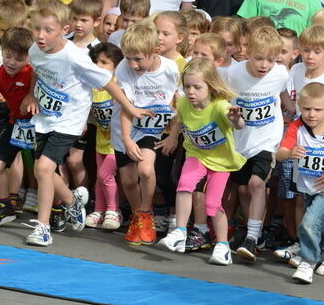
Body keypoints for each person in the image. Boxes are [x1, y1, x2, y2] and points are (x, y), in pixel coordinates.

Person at [19, 0, 146, 246]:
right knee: (41, 169)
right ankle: (71, 201)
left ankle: (43, 228)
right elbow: (37, 68)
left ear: (64, 29)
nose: (41, 36)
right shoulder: (35, 49)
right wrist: (31, 93)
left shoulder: (75, 57)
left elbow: (107, 82)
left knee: (44, 168)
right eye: (37, 29)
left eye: (48, 30)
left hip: (70, 121)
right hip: (45, 117)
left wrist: (130, 107)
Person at [157, 58, 246, 265]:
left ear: (211, 87)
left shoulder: (219, 107)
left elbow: (239, 124)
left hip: (221, 161)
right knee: (184, 185)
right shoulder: (183, 103)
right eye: (187, 86)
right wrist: (172, 136)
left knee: (212, 204)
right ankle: (179, 232)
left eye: (197, 87)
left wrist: (235, 119)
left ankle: (223, 246)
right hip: (196, 153)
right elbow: (181, 117)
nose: (191, 91)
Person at [220, 26, 289, 260]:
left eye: (271, 59)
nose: (264, 65)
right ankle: (239, 230)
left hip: (267, 140)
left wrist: (290, 108)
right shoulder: (233, 73)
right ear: (247, 50)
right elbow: (220, 96)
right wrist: (231, 116)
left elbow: (283, 96)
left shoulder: (281, 73)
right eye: (259, 58)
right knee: (241, 188)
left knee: (257, 184)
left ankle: (252, 238)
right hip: (240, 140)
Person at [112, 21, 181, 246]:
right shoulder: (124, 68)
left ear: (155, 52)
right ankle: (138, 217)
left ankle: (146, 213)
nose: (133, 64)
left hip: (154, 127)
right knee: (129, 180)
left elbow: (180, 105)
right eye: (128, 58)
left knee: (145, 169)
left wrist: (173, 135)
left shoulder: (171, 69)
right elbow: (126, 107)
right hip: (127, 125)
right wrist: (127, 138)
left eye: (138, 59)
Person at [278, 82, 324, 284]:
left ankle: (308, 262)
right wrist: (290, 153)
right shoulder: (296, 127)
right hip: (307, 186)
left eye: (317, 110)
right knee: (321, 220)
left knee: (309, 221)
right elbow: (280, 153)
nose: (311, 114)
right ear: (299, 106)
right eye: (306, 109)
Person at [0, 27, 34, 226]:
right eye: (8, 55)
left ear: (30, 58)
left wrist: (31, 95)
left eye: (19, 59)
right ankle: (6, 207)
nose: (12, 62)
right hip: (17, 124)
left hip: (39, 126)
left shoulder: (34, 73)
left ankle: (64, 205)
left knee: (44, 171)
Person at [84, 42, 123, 230]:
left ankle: (114, 211)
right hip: (101, 140)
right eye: (96, 62)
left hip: (117, 142)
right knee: (101, 177)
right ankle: (99, 210)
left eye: (104, 62)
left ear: (116, 66)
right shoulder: (93, 87)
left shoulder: (117, 87)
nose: (98, 66)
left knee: (106, 175)